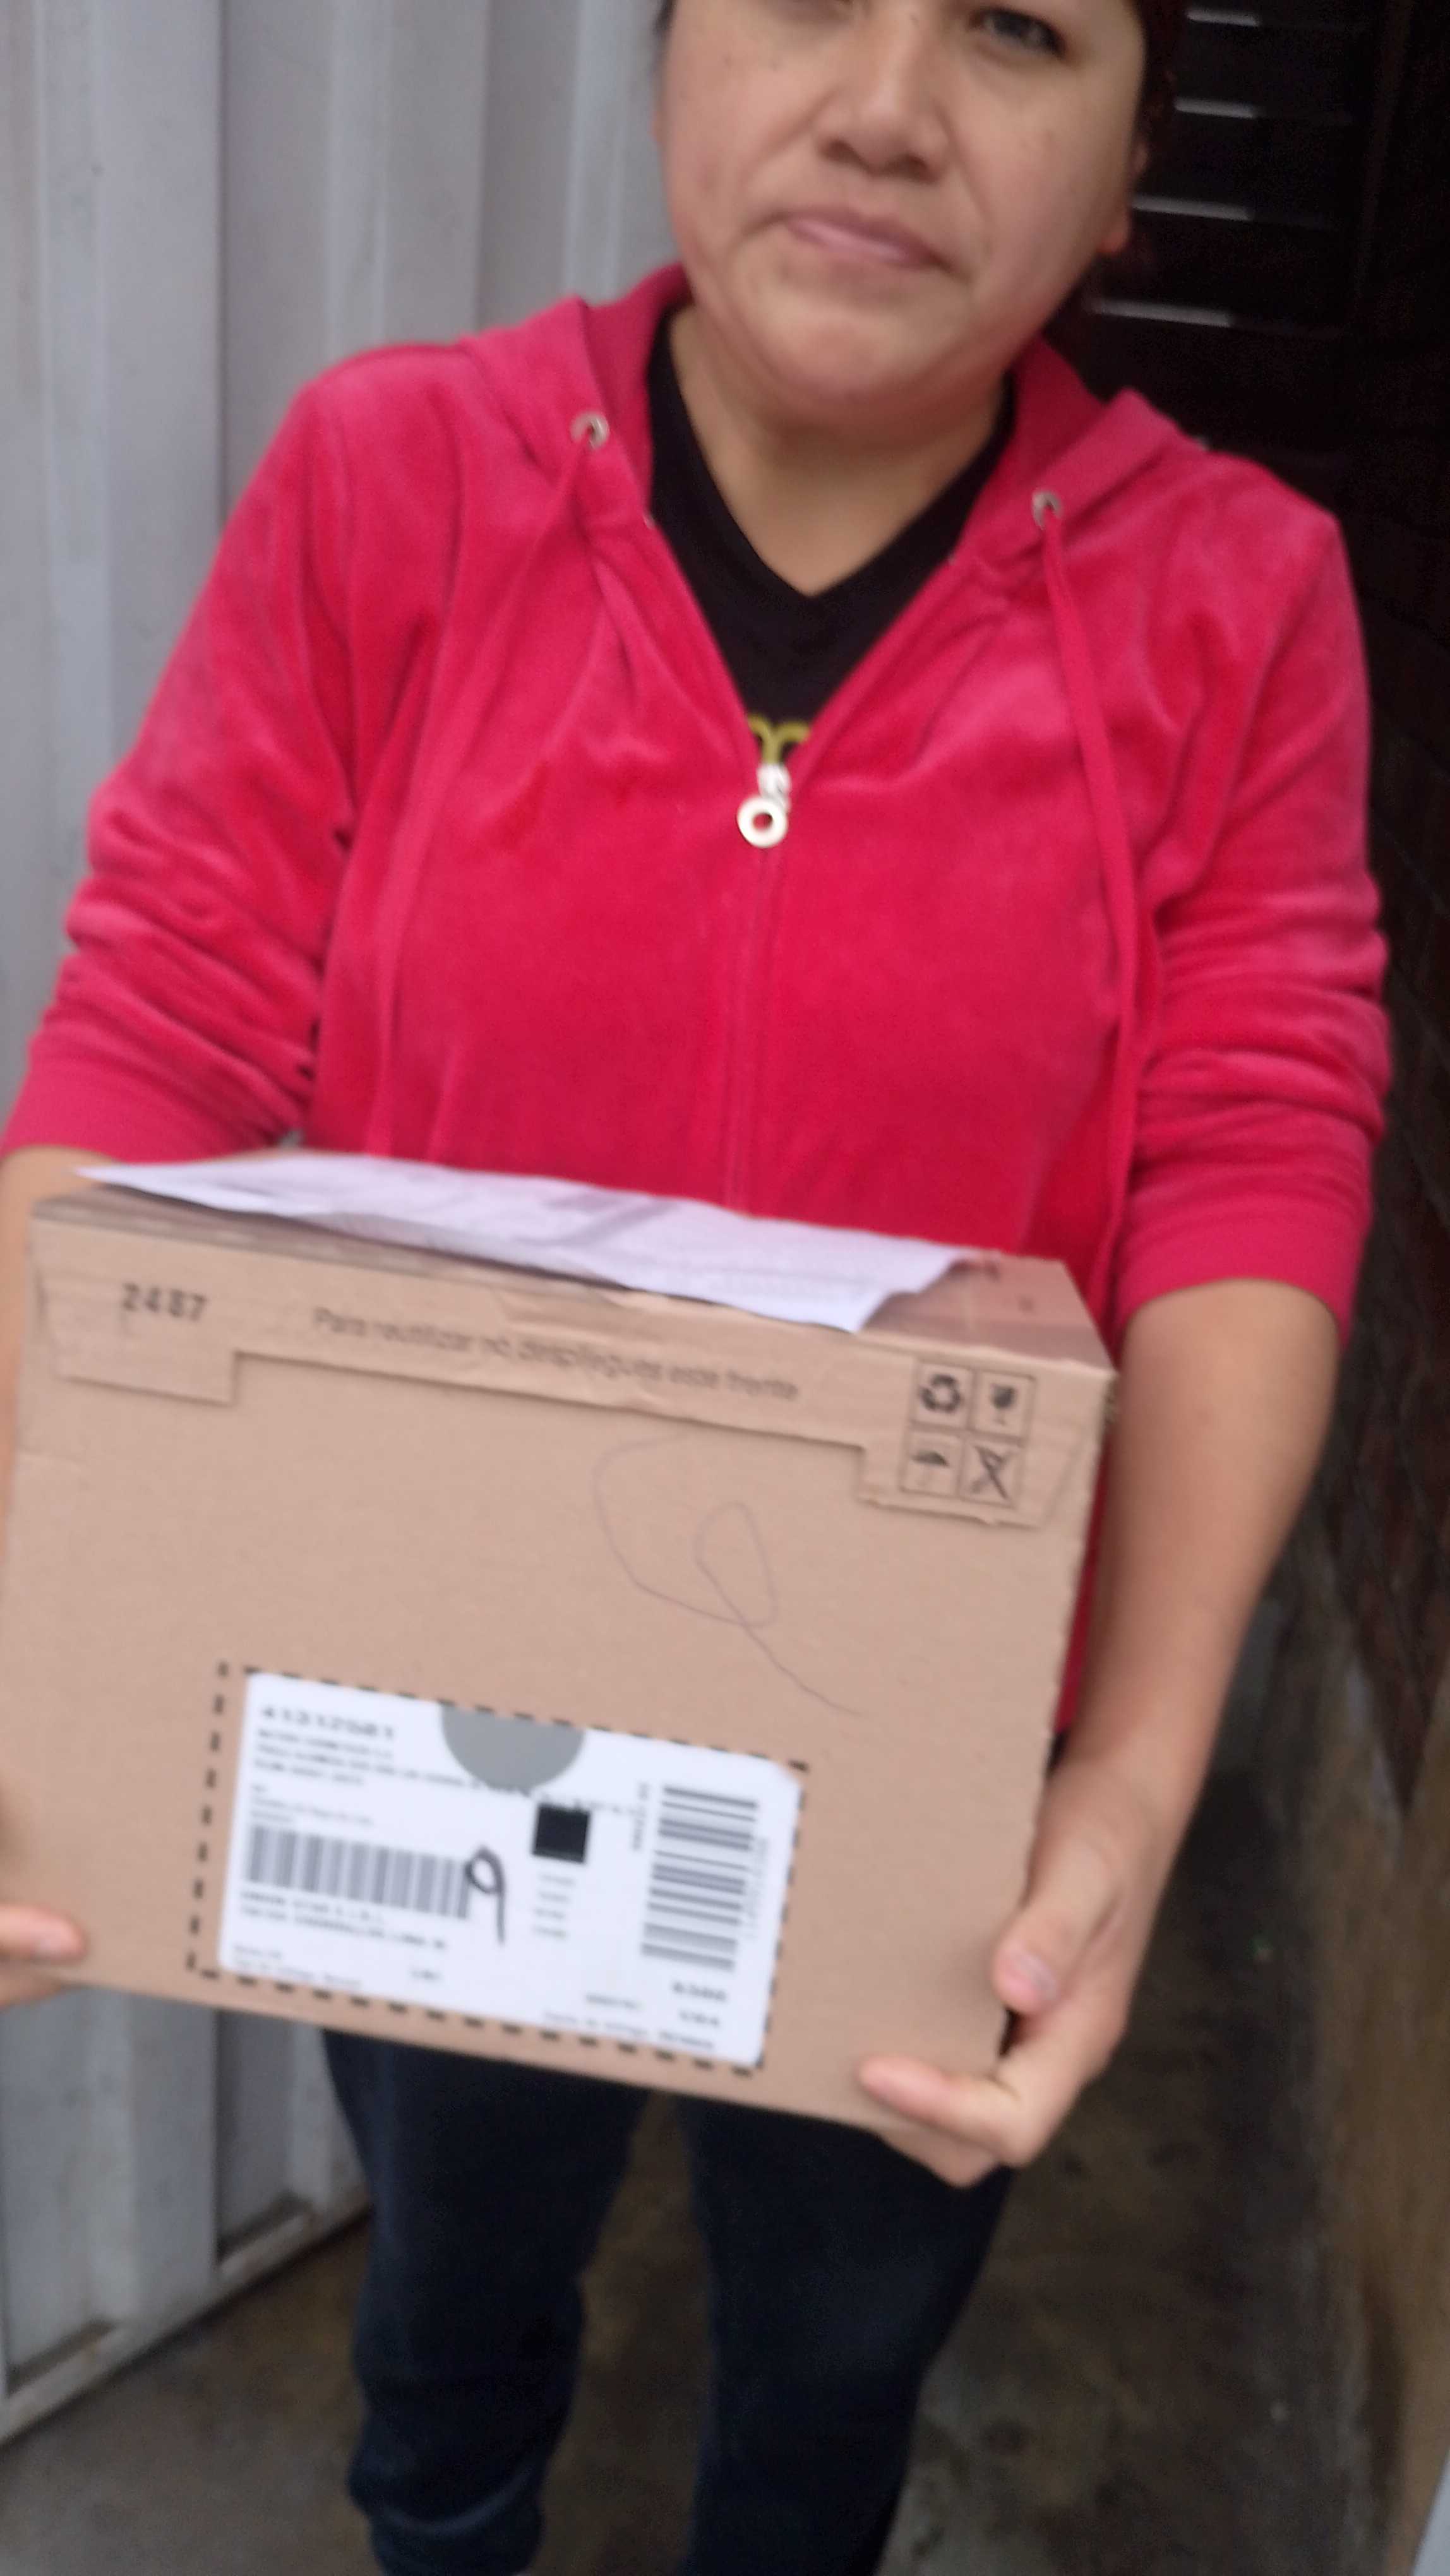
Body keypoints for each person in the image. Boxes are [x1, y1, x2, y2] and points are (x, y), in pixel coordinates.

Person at [0, 3, 1388, 2571]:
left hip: (934, 1743)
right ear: (661, 64)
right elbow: (163, 1028)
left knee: (843, 2336)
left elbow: (1250, 1154)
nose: (886, 103)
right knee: (451, 2281)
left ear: (1129, 174)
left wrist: (1136, 1767)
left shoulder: (1237, 600)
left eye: (1015, 27)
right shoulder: (394, 485)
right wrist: (31, 1604)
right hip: (440, 1689)